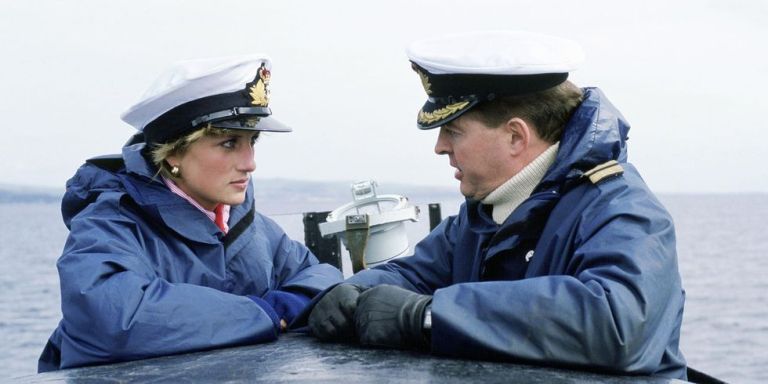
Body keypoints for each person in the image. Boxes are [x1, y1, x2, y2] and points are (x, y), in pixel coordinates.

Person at [306, 31, 687, 379]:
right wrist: (352, 294)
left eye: (453, 131)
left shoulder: (623, 210)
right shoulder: (484, 213)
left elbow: (620, 325)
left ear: (515, 137)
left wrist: (426, 317)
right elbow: (416, 277)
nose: (440, 147)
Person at [38, 55, 342, 372]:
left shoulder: (249, 226)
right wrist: (262, 313)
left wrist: (289, 302)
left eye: (252, 141)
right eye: (228, 143)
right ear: (173, 154)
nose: (250, 162)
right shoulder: (108, 225)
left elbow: (319, 276)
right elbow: (114, 317)